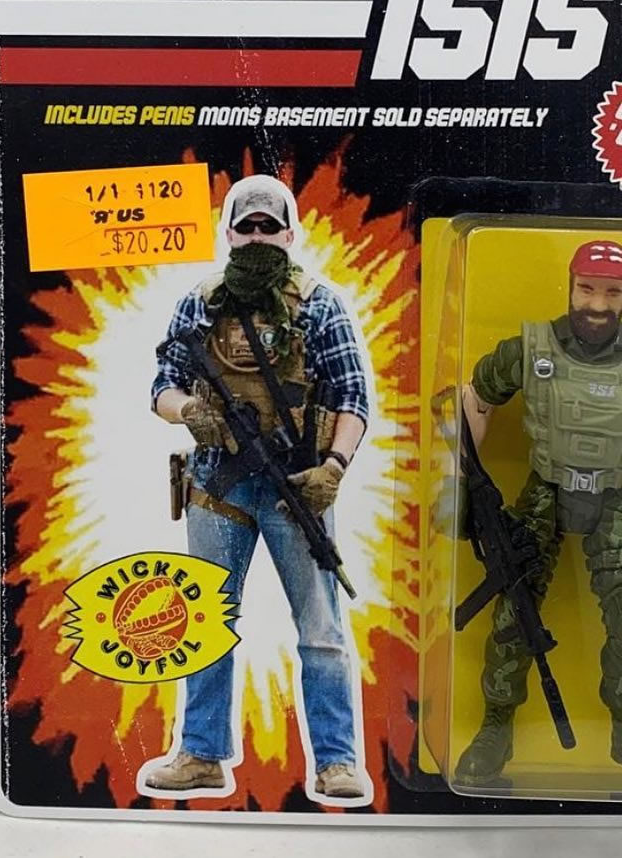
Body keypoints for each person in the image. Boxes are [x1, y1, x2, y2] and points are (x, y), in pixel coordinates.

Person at [143, 175, 369, 801]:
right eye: (247, 226)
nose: (258, 236)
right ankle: (200, 753)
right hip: (219, 483)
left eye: (270, 226)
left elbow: (353, 397)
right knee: (207, 621)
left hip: (295, 485)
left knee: (321, 628)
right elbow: (162, 384)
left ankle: (337, 760)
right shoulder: (200, 304)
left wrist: (334, 468)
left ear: (290, 234)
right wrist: (190, 411)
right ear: (230, 233)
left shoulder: (319, 305)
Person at [457, 239, 622, 789]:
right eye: (587, 288)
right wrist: (460, 483)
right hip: (544, 490)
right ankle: (496, 728)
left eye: (611, 292)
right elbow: (474, 399)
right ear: (570, 286)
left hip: (613, 499)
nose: (597, 303)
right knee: (513, 611)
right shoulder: (530, 348)